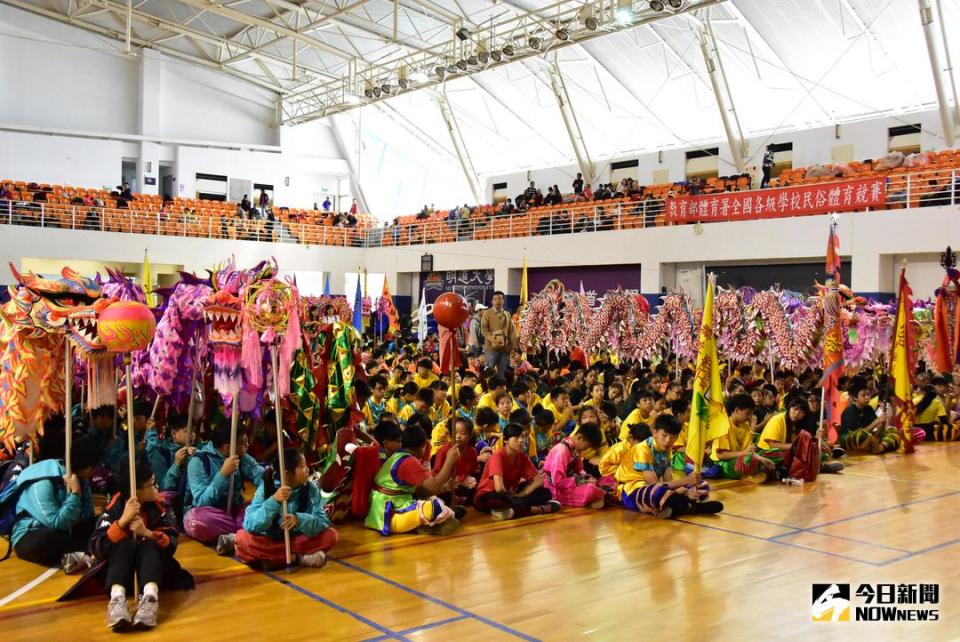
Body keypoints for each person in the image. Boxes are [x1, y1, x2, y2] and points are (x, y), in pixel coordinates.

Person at [91, 458, 191, 631]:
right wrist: (121, 523)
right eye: (151, 484)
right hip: (122, 574)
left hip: (153, 573)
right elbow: (97, 547)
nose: (156, 488)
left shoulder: (160, 507)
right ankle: (117, 600)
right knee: (124, 545)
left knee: (148, 545)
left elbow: (172, 544)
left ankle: (150, 599)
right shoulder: (114, 508)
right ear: (136, 490)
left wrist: (147, 533)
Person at [230, 448, 338, 569]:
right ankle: (297, 558)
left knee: (331, 535)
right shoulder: (266, 488)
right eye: (302, 467)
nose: (308, 470)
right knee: (242, 538)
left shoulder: (310, 488)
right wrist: (273, 501)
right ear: (287, 474)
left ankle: (274, 559)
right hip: (269, 539)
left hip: (296, 539)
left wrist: (299, 519)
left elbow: (322, 521)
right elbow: (250, 524)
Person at [10, 437, 99, 572]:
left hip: (65, 529)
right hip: (31, 533)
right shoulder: (42, 482)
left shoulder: (81, 478)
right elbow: (56, 521)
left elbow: (87, 513)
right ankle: (88, 551)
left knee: (98, 522)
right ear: (86, 466)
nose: (92, 472)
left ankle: (82, 552)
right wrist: (74, 494)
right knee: (47, 540)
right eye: (91, 468)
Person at [364, 425, 461, 536]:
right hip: (389, 515)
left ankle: (434, 522)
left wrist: (445, 487)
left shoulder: (399, 456)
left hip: (386, 507)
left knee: (433, 501)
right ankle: (432, 523)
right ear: (423, 446)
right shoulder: (408, 461)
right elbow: (433, 486)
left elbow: (420, 491)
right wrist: (449, 461)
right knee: (435, 507)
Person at [626, 414, 723, 518]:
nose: (668, 440)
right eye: (664, 435)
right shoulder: (642, 449)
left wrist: (687, 491)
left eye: (673, 437)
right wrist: (686, 481)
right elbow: (654, 484)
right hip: (634, 490)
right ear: (654, 433)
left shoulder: (667, 449)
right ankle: (693, 506)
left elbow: (668, 480)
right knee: (657, 491)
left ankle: (680, 506)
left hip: (660, 487)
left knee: (702, 485)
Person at [182, 425, 264, 543]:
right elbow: (201, 502)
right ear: (227, 447)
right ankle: (244, 532)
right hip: (209, 513)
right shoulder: (198, 461)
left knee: (261, 508)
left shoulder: (242, 457)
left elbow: (261, 477)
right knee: (196, 521)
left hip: (235, 510)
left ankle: (234, 536)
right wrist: (222, 475)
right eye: (244, 443)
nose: (248, 446)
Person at [474, 423, 558, 520]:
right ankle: (535, 510)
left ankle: (506, 510)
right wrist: (512, 496)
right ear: (505, 440)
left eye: (523, 437)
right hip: (489, 495)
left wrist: (521, 494)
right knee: (499, 499)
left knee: (545, 492)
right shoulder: (497, 456)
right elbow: (499, 488)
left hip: (510, 493)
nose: (521, 440)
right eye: (516, 437)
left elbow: (539, 481)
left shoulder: (522, 456)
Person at [711, 394, 777, 482]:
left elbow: (748, 452)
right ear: (737, 410)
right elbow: (720, 455)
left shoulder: (745, 426)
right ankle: (750, 474)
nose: (750, 417)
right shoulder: (724, 425)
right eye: (748, 413)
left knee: (774, 453)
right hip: (722, 464)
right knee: (747, 461)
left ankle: (754, 471)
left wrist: (762, 459)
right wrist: (744, 453)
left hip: (741, 458)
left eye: (751, 413)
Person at [541, 422, 606, 508]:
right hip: (555, 489)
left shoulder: (574, 450)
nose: (585, 450)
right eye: (586, 447)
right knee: (590, 490)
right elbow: (558, 482)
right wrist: (580, 481)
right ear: (579, 437)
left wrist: (587, 477)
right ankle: (597, 499)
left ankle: (594, 499)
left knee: (602, 481)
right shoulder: (561, 451)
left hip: (569, 483)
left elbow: (579, 470)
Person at [144, 413, 194, 505]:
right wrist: (176, 464)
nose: (192, 435)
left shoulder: (195, 451)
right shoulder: (160, 453)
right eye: (187, 431)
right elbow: (163, 487)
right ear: (173, 433)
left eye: (193, 432)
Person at [432, 417, 479, 505]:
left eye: (463, 433)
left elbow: (471, 472)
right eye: (455, 433)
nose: (458, 436)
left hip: (462, 486)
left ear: (470, 435)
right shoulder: (444, 451)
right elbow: (435, 476)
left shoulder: (472, 452)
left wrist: (469, 480)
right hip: (446, 487)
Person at [480, 291, 517, 376]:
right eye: (495, 299)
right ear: (492, 301)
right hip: (491, 348)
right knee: (489, 371)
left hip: (505, 349)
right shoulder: (487, 313)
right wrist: (493, 339)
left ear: (503, 300)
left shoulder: (507, 314)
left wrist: (514, 346)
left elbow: (511, 331)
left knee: (503, 372)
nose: (497, 301)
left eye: (500, 299)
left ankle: (502, 388)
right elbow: (484, 329)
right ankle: (487, 388)